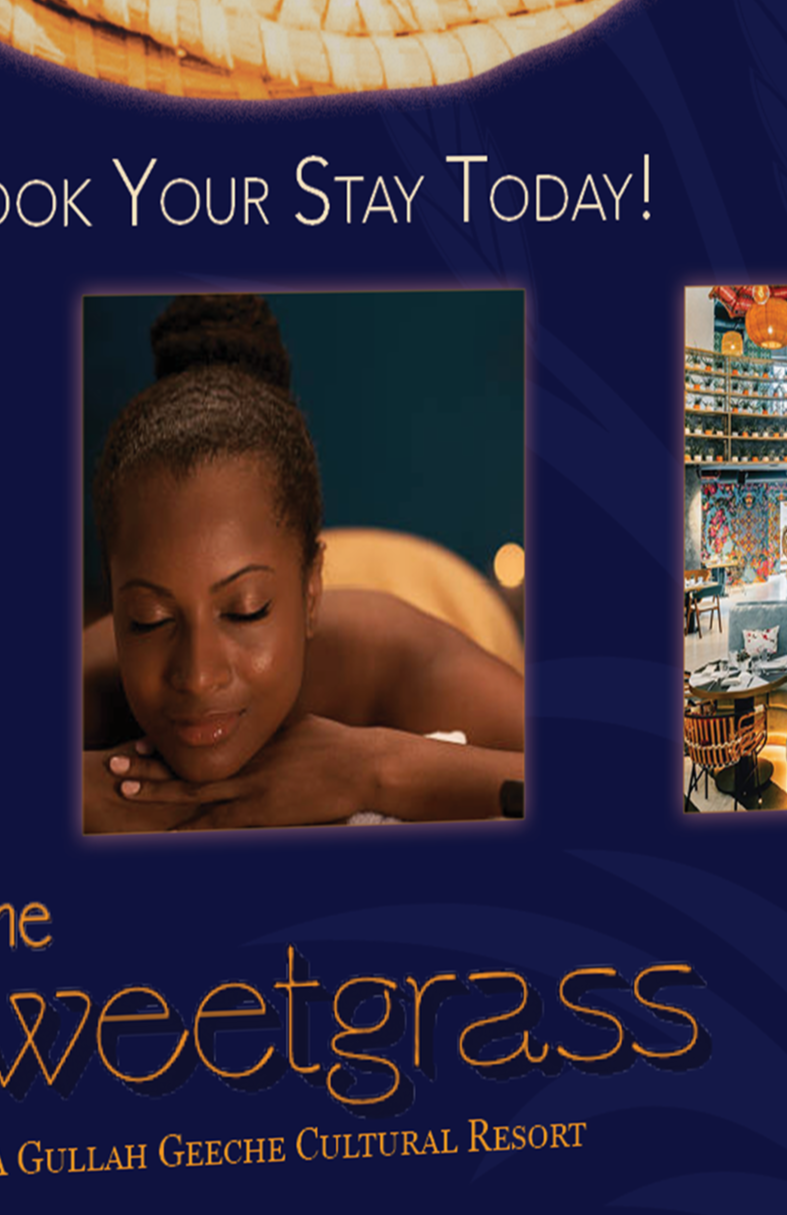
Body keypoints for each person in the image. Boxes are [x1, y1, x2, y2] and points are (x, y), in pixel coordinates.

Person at [78, 296, 523, 833]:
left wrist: (372, 768)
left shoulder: (394, 658)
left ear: (312, 593)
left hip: (442, 588)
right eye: (150, 619)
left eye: (245, 612)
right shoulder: (90, 680)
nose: (197, 676)